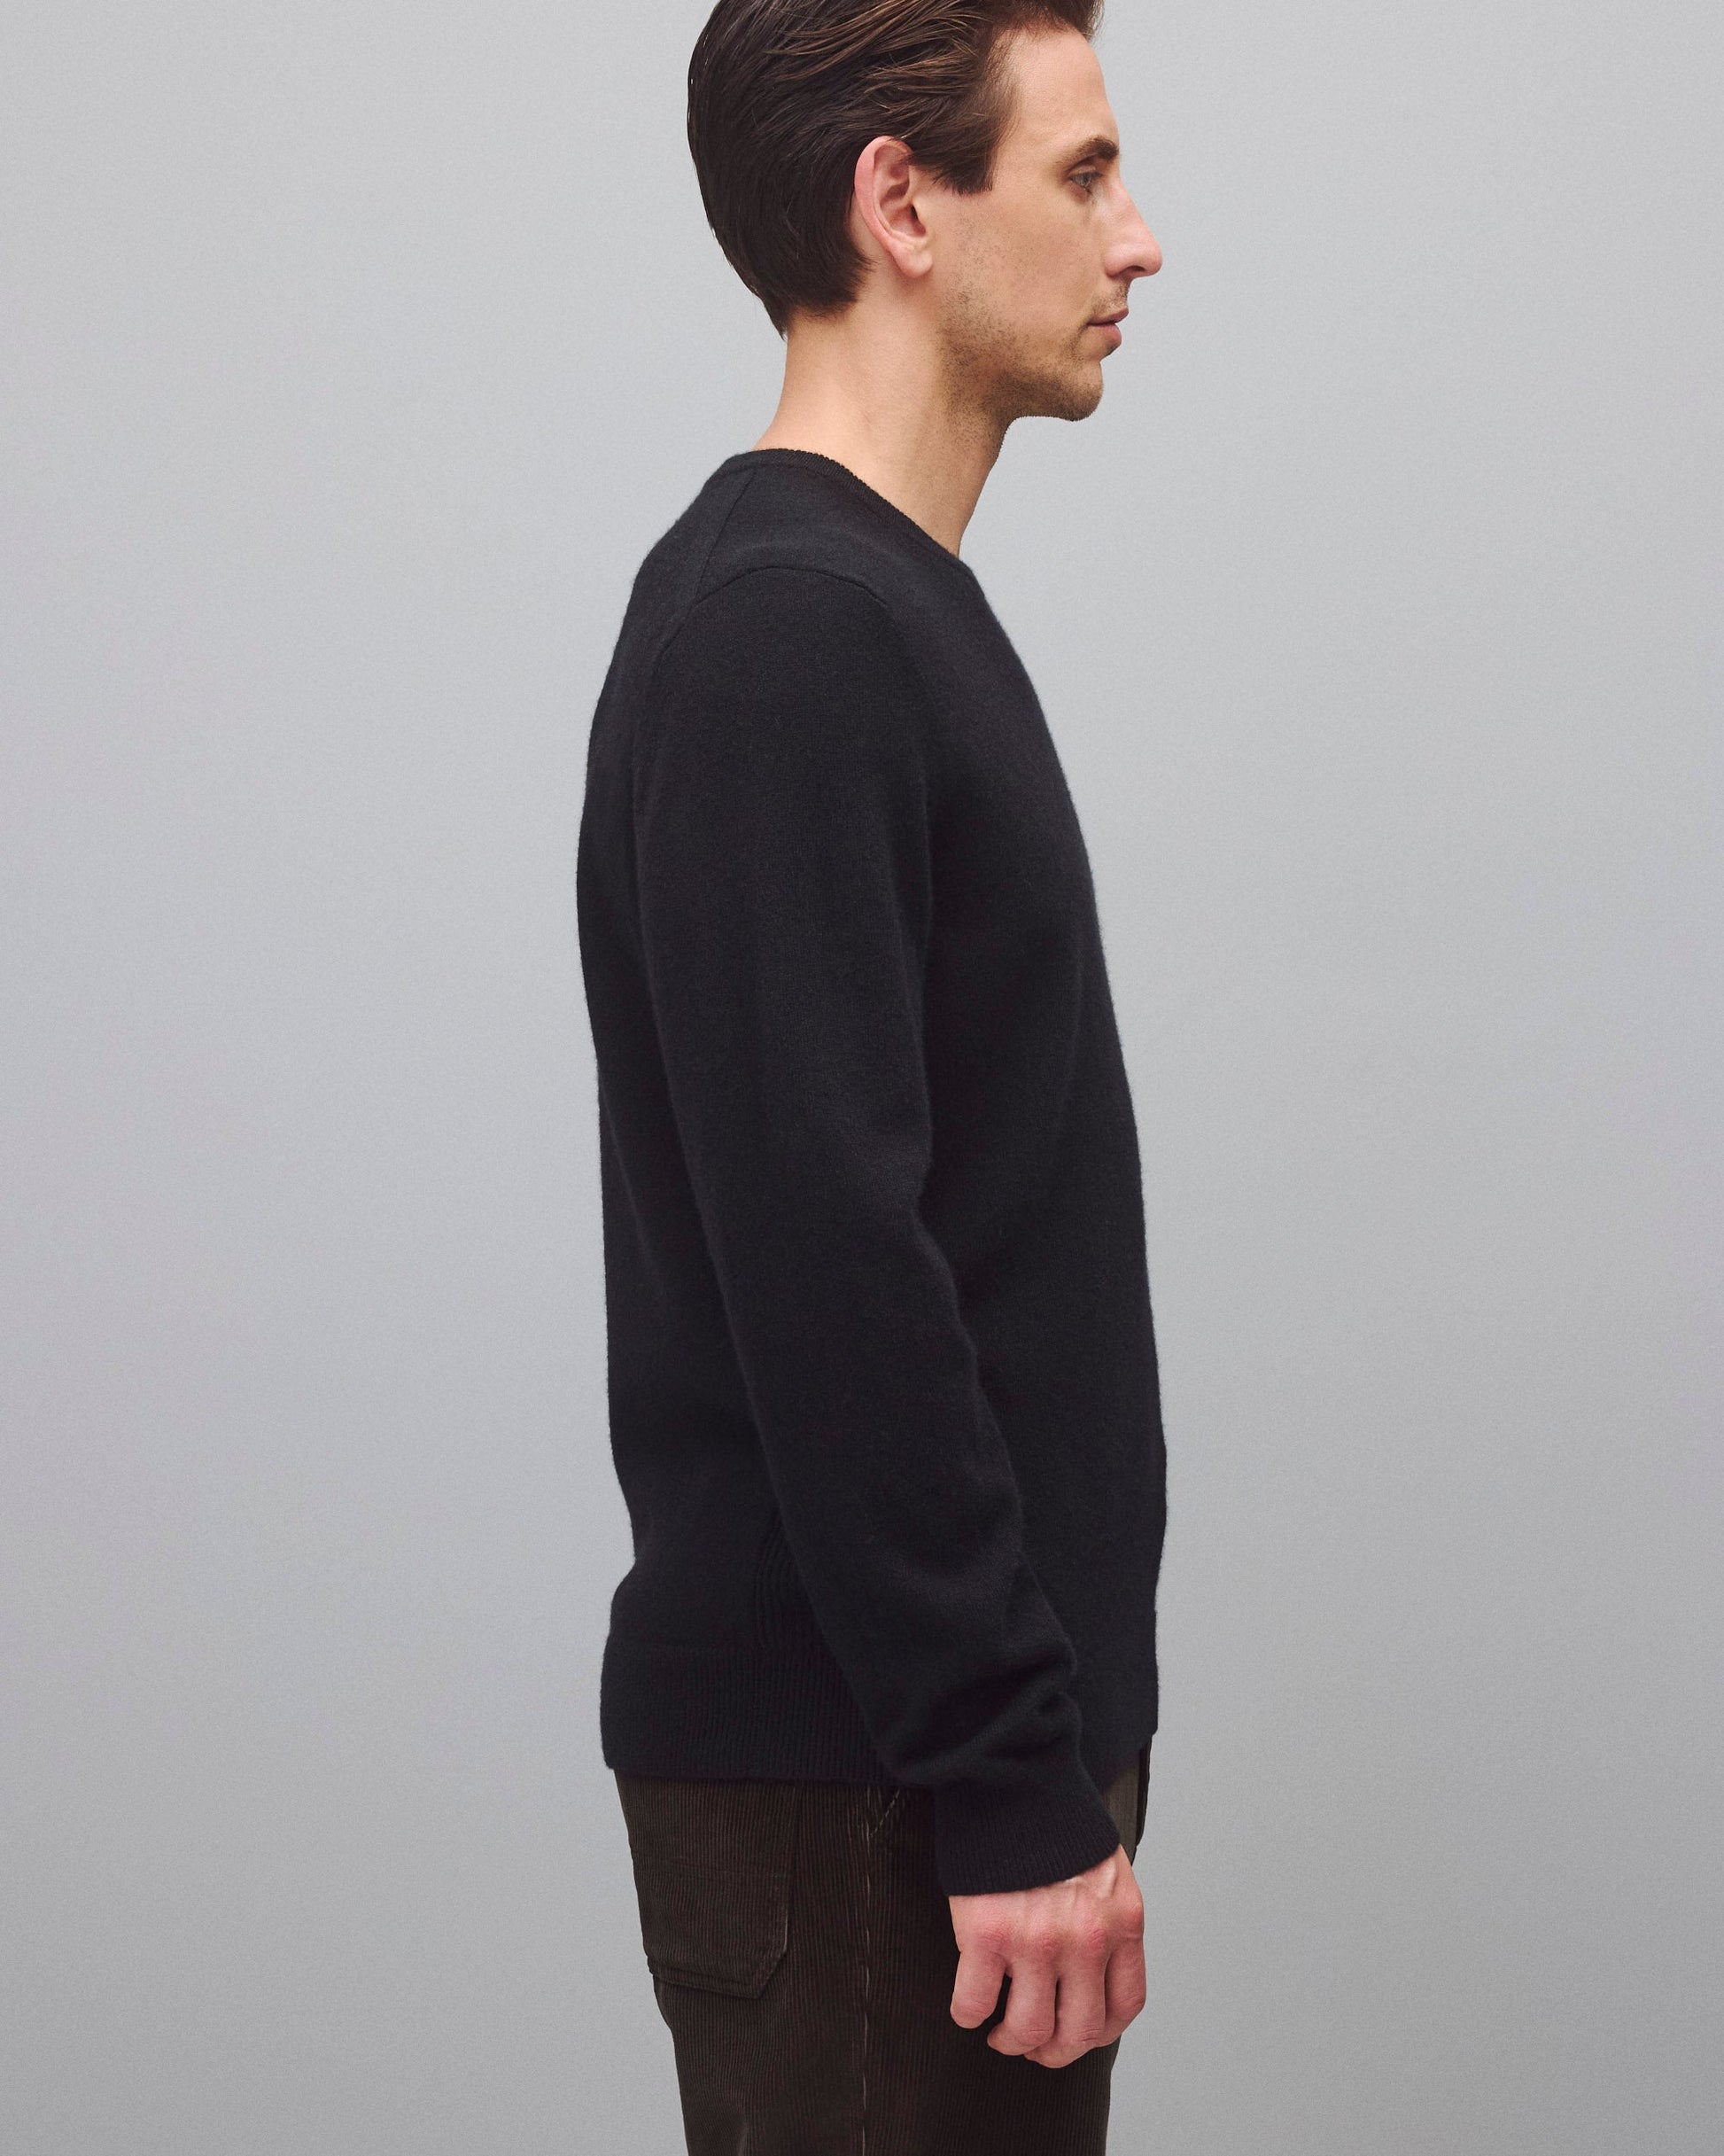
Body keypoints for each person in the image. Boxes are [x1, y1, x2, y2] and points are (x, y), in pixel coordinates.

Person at [575, 2, 1167, 2146]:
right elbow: (829, 1262)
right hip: (882, 1790)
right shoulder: (791, 634)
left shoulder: (867, 609)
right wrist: (1006, 1768)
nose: (1139, 237)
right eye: (1084, 172)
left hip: (924, 1769)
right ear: (900, 203)